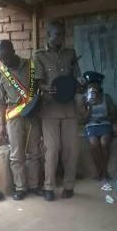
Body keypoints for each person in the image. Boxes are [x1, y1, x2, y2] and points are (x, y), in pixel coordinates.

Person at [34, 20, 82, 201]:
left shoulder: (71, 53)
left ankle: (69, 186)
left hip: (69, 108)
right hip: (49, 109)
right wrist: (47, 88)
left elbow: (77, 78)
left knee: (71, 150)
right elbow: (37, 82)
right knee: (52, 150)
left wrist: (80, 84)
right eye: (57, 34)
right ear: (49, 35)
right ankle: (49, 187)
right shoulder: (39, 55)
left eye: (62, 34)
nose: (60, 38)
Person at [0, 40, 42, 200]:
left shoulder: (31, 66)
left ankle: (35, 185)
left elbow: (39, 90)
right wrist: (2, 126)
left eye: (6, 58)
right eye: (1, 59)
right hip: (14, 117)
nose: (4, 62)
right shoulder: (1, 74)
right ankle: (21, 187)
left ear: (14, 51)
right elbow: (1, 103)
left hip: (33, 114)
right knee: (16, 154)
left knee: (35, 152)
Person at [81, 71, 116, 181]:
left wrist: (105, 118)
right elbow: (84, 120)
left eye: (95, 85)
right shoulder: (85, 99)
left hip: (105, 124)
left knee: (104, 143)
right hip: (91, 125)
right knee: (94, 144)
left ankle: (104, 170)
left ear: (99, 85)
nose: (92, 87)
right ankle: (98, 170)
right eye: (90, 85)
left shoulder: (107, 97)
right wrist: (90, 106)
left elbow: (113, 115)